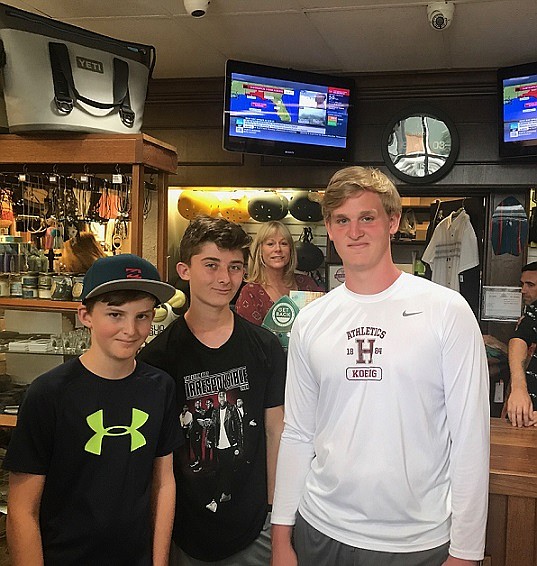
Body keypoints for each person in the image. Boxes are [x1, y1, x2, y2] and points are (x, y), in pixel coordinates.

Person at [271, 166, 490, 566]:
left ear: (393, 221)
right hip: (320, 527)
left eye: (367, 217)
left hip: (416, 540)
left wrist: (467, 550)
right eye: (342, 220)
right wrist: (282, 532)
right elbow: (299, 433)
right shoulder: (311, 320)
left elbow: (471, 438)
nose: (354, 231)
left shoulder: (447, 311)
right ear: (330, 229)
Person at [3, 253, 182, 566]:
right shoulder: (48, 394)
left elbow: (164, 482)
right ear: (85, 315)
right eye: (115, 314)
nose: (130, 329)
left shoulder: (160, 387)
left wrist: (159, 561)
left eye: (142, 316)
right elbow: (22, 509)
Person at [137, 215, 286, 565]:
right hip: (184, 530)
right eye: (211, 265)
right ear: (184, 270)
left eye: (235, 267)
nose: (224, 278)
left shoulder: (265, 347)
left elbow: (275, 430)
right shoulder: (158, 358)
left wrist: (275, 515)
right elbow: (156, 458)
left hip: (255, 528)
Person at [235, 221, 323, 325]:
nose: (278, 249)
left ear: (291, 250)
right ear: (260, 251)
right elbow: (249, 338)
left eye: (284, 243)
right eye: (270, 244)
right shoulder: (250, 293)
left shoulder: (307, 284)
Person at [506, 261, 537, 427]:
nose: (523, 290)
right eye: (522, 284)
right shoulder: (531, 312)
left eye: (530, 285)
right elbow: (520, 339)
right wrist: (518, 388)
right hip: (528, 414)